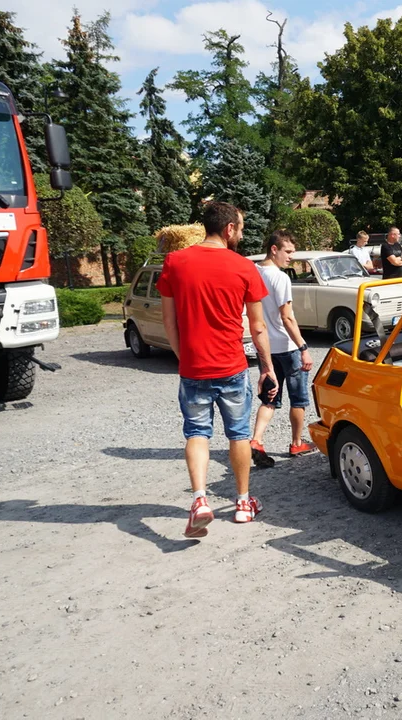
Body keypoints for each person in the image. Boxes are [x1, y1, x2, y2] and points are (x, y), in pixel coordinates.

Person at [158, 201, 276, 538]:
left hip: (194, 368)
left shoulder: (175, 262)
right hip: (232, 367)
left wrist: (185, 358)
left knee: (196, 433)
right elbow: (257, 328)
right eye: (240, 226)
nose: (241, 232)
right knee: (238, 434)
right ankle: (242, 503)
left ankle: (199, 500)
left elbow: (170, 320)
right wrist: (267, 368)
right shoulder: (243, 267)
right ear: (229, 229)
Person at [250, 229, 315, 469]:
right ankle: (297, 443)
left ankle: (256, 440)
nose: (291, 257)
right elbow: (287, 317)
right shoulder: (281, 278)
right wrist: (303, 347)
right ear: (274, 249)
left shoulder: (254, 273)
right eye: (287, 252)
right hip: (288, 347)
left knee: (270, 398)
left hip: (266, 347)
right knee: (298, 399)